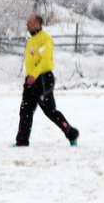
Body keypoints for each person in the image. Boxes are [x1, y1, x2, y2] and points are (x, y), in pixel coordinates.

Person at [15, 13, 79, 147]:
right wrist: (29, 76)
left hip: (43, 79)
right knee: (25, 110)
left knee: (50, 111)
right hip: (30, 80)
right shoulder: (31, 40)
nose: (27, 24)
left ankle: (71, 133)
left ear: (38, 23)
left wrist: (35, 74)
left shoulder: (45, 39)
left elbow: (45, 60)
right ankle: (22, 141)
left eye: (30, 22)